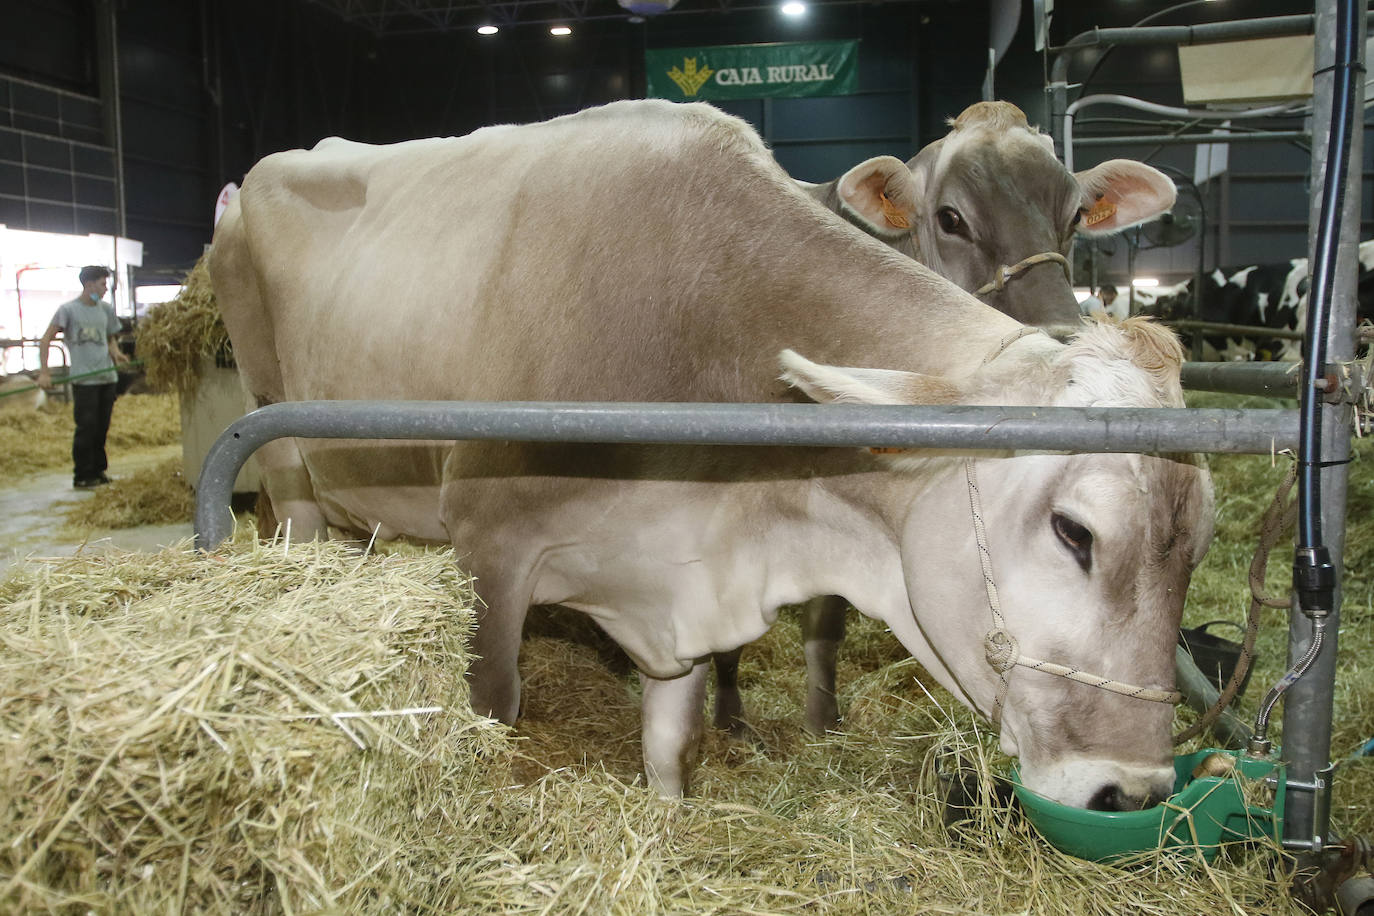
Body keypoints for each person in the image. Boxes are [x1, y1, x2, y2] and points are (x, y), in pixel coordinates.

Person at [36, 265, 130, 488]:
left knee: (101, 427)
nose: (105, 289)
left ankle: (98, 471)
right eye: (102, 284)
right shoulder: (67, 311)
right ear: (89, 285)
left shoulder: (105, 309)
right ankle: (82, 474)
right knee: (86, 427)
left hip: (107, 378)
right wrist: (44, 371)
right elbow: (46, 339)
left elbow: (109, 338)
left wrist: (116, 354)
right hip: (84, 379)